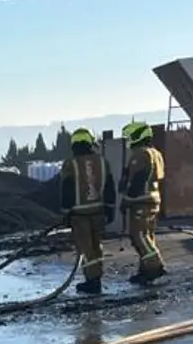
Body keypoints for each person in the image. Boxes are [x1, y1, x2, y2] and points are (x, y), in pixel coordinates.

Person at [59, 127, 117, 295]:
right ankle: (96, 277)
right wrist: (110, 208)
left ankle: (92, 282)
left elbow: (67, 188)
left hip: (79, 215)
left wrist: (66, 212)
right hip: (99, 212)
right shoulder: (102, 161)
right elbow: (109, 186)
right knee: (96, 246)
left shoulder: (71, 164)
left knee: (86, 248)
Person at [120, 121, 166, 285]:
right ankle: (145, 270)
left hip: (141, 201)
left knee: (138, 235)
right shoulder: (156, 153)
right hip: (153, 199)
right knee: (148, 236)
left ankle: (155, 265)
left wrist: (127, 199)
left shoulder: (140, 154)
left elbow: (138, 179)